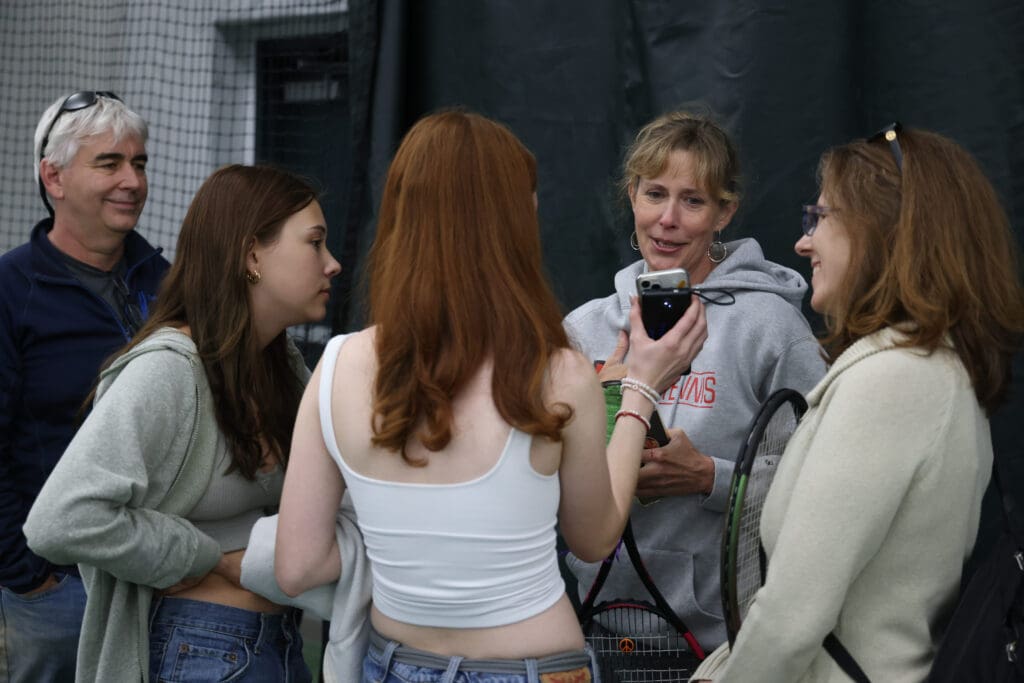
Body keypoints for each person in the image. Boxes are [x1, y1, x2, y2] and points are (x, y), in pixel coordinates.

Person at [271, 109, 707, 683]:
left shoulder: (334, 366)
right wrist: (642, 387)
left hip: (395, 663)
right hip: (530, 666)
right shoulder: (555, 371)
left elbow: (297, 566)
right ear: (509, 221)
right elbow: (596, 536)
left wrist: (415, 555)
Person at [692, 124, 1024, 682]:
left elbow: (791, 619)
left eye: (820, 218)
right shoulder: (929, 369)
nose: (803, 243)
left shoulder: (893, 381)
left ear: (883, 230)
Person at [23, 163, 342, 682]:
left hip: (279, 647)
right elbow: (61, 518)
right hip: (200, 648)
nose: (332, 264)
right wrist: (206, 557)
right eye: (315, 243)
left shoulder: (281, 364)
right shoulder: (169, 368)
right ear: (251, 255)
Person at [562, 110, 826, 651]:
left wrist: (709, 476)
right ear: (632, 196)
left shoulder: (770, 328)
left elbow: (825, 485)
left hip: (723, 644)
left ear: (724, 212)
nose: (668, 219)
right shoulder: (585, 328)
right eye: (655, 194)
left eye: (694, 200)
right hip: (596, 630)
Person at [0, 90, 167, 682]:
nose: (133, 180)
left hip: (159, 577)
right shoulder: (10, 290)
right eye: (109, 163)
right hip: (60, 590)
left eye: (140, 163)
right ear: (54, 177)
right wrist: (28, 576)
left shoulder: (168, 282)